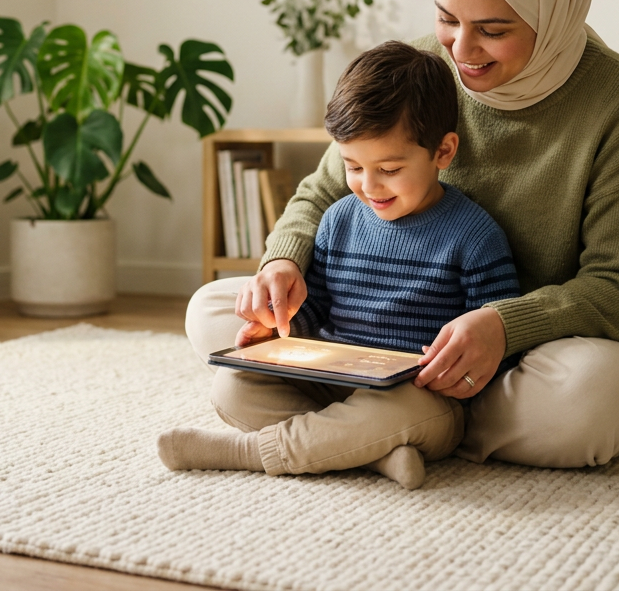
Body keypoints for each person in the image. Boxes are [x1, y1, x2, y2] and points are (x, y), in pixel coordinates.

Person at [185, 0, 619, 469]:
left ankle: (389, 422)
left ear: (554, 14)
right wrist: (281, 266)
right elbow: (323, 191)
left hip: (530, 354)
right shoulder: (418, 72)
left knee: (592, 395)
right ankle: (395, 430)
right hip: (378, 342)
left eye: (493, 29)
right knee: (213, 310)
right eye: (446, 19)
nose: (461, 50)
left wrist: (504, 326)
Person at [158, 41, 521, 488]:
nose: (369, 187)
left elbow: (497, 343)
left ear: (443, 152)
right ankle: (375, 455)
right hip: (331, 380)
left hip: (418, 397)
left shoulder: (476, 235)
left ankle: (249, 452)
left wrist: (452, 370)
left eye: (389, 169)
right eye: (352, 167)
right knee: (231, 387)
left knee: (399, 412)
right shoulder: (336, 220)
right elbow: (317, 308)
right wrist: (277, 327)